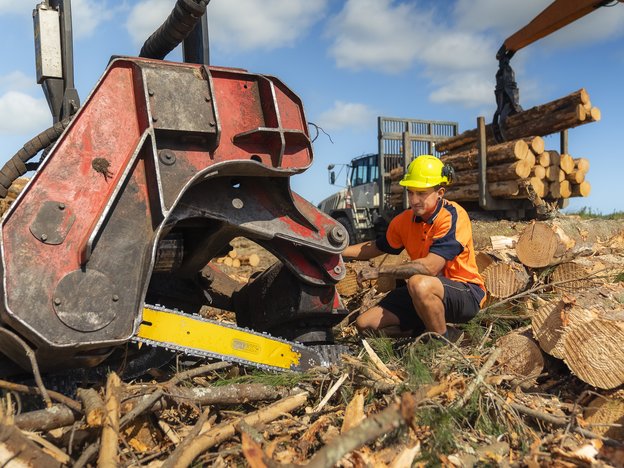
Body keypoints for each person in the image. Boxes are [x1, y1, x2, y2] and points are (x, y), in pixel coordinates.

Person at [342, 155, 486, 340]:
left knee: (418, 282)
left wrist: (381, 270)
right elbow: (376, 247)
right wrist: (338, 250)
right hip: (423, 292)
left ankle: (443, 342)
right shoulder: (403, 221)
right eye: (410, 192)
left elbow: (430, 267)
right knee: (365, 324)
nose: (414, 199)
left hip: (465, 292)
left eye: (421, 193)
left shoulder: (453, 216)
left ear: (440, 193)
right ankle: (429, 333)